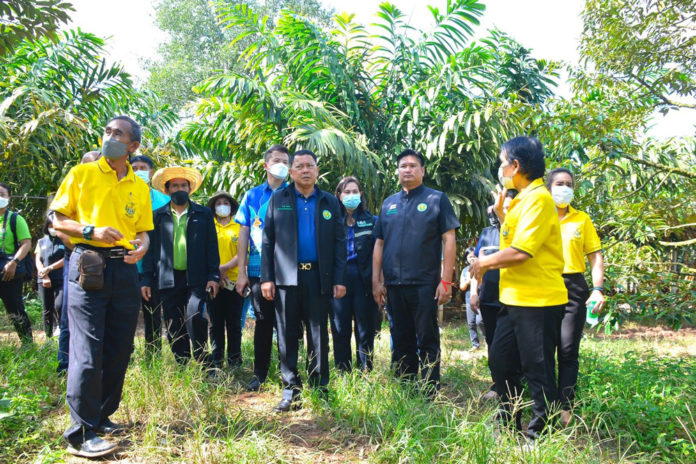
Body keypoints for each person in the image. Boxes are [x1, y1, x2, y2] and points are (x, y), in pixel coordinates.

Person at [50, 115, 152, 457]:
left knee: (119, 348)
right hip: (88, 264)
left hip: (124, 270)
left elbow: (143, 232)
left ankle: (102, 414)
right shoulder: (82, 174)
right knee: (88, 350)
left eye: (117, 133)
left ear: (133, 145)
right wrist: (91, 231)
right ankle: (80, 432)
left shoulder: (139, 185)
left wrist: (142, 248)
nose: (109, 136)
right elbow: (56, 220)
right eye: (107, 131)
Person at [470, 136, 567, 440]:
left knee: (537, 368)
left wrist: (483, 263)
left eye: (503, 163)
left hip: (538, 300)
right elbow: (513, 241)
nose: (501, 169)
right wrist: (502, 215)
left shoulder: (539, 199)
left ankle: (540, 435)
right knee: (500, 361)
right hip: (513, 299)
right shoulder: (523, 199)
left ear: (516, 165)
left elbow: (521, 253)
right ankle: (509, 421)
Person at [261, 149, 346, 412]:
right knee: (286, 333)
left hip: (319, 277)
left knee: (318, 332)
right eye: (299, 166)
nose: (305, 170)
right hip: (287, 278)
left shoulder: (330, 202)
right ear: (291, 171)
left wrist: (339, 279)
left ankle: (320, 387)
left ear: (318, 170)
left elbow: (339, 243)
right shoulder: (279, 199)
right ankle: (290, 389)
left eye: (310, 165)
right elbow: (267, 241)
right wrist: (267, 278)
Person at [372, 149, 460, 396]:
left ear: (422, 170)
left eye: (413, 165)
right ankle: (405, 387)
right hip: (394, 285)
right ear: (397, 171)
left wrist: (446, 280)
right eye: (403, 166)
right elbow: (379, 244)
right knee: (400, 338)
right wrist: (376, 281)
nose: (407, 170)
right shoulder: (388, 203)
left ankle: (430, 389)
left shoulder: (436, 199)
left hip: (424, 284)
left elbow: (449, 239)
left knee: (427, 338)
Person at [142, 167, 220, 368]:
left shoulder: (203, 214)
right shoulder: (157, 216)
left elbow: (212, 247)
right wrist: (146, 279)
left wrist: (213, 276)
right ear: (167, 190)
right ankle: (183, 364)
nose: (179, 189)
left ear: (190, 188)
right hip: (167, 278)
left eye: (183, 185)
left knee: (196, 317)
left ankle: (204, 362)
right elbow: (150, 251)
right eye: (175, 185)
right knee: (173, 322)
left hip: (197, 278)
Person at [547, 167, 605, 426]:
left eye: (569, 183)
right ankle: (544, 402)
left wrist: (598, 288)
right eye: (559, 182)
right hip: (544, 285)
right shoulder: (539, 215)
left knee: (568, 349)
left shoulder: (582, 219)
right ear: (549, 186)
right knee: (544, 348)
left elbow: (595, 256)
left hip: (574, 286)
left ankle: (565, 406)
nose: (564, 187)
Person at [234, 145, 290, 391]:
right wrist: (242, 272)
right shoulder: (252, 196)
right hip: (258, 270)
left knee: (288, 323)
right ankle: (260, 373)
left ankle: (288, 372)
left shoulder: (295, 194)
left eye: (286, 161)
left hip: (289, 270)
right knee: (263, 321)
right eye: (277, 160)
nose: (282, 165)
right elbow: (243, 233)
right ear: (266, 165)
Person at [470, 194, 516, 400]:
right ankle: (497, 386)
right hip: (489, 298)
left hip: (514, 298)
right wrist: (473, 292)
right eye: (498, 208)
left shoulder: (518, 232)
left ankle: (516, 385)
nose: (500, 211)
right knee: (493, 344)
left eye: (505, 207)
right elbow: (477, 265)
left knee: (515, 345)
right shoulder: (486, 234)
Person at [330, 176, 379, 372]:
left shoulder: (372, 221)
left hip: (364, 278)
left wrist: (378, 282)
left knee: (365, 328)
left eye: (355, 191)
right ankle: (343, 370)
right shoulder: (332, 222)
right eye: (347, 192)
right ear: (339, 196)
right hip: (339, 279)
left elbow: (378, 253)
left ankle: (366, 370)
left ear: (361, 195)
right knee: (340, 327)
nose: (351, 195)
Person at [57, 153, 99, 374]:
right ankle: (65, 363)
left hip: (103, 262)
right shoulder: (74, 186)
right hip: (77, 259)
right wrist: (87, 253)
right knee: (69, 313)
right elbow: (60, 227)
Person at [130, 155, 170, 357]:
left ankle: (152, 355)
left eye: (142, 167)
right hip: (126, 263)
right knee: (125, 313)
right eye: (134, 167)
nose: (138, 170)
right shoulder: (122, 195)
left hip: (154, 267)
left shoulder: (165, 201)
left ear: (151, 171)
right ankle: (124, 355)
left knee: (153, 313)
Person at [207, 191, 243, 369]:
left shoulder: (238, 227)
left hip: (234, 282)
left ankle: (235, 360)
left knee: (234, 323)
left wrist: (224, 268)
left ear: (231, 207)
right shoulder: (209, 226)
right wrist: (215, 272)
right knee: (215, 323)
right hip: (213, 282)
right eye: (218, 203)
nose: (222, 206)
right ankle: (216, 360)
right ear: (214, 208)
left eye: (226, 203)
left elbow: (242, 253)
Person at [0, 182, 33, 345]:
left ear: (9, 198)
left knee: (15, 308)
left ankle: (27, 344)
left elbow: (26, 243)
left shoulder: (15, 219)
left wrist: (14, 262)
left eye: (2, 194)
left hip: (9, 272)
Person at [35, 218, 65, 337]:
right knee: (47, 308)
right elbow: (38, 259)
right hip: (43, 278)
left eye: (55, 226)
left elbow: (66, 259)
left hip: (60, 277)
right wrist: (44, 273)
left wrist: (50, 268)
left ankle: (60, 328)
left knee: (59, 304)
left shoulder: (64, 241)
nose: (52, 228)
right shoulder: (41, 242)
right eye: (50, 226)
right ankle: (48, 335)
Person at [459, 247, 484, 350]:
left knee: (481, 321)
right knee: (471, 323)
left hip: (481, 296)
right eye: (469, 257)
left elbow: (483, 281)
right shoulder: (465, 270)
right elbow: (462, 287)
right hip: (469, 297)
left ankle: (487, 340)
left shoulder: (482, 267)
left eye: (474, 256)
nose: (472, 259)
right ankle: (475, 345)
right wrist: (468, 281)